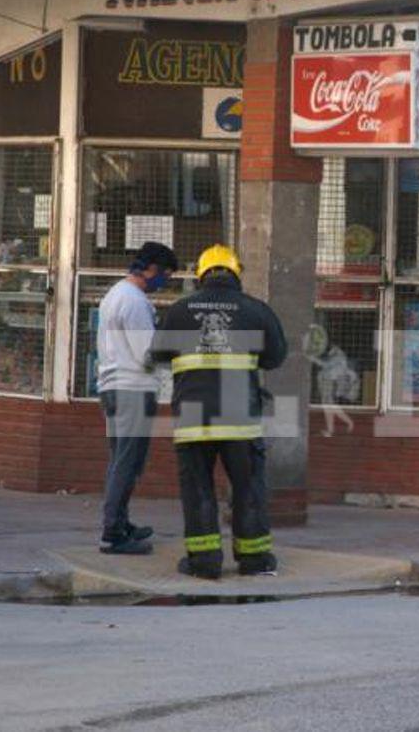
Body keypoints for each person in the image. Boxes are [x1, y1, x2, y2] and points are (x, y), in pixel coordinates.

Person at [149, 245, 288, 579]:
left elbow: (158, 354)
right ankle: (254, 560)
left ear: (201, 274)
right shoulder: (256, 311)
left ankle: (204, 561)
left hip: (194, 418)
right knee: (247, 488)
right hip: (240, 418)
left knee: (198, 488)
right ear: (235, 273)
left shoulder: (180, 311)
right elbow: (275, 357)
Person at [96, 241, 178, 555]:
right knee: (127, 462)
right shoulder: (135, 302)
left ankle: (121, 522)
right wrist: (173, 353)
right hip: (132, 387)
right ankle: (112, 532)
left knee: (120, 459)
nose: (165, 282)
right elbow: (147, 354)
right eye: (165, 275)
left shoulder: (115, 294)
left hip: (113, 386)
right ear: (152, 270)